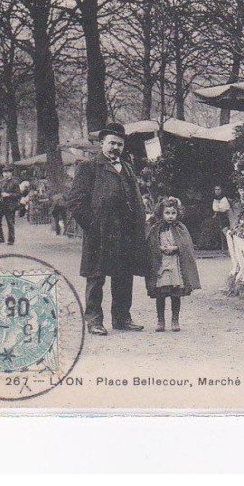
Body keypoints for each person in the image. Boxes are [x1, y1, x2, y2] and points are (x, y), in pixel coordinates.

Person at [66, 122, 149, 335]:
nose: (115, 148)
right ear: (102, 143)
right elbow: (75, 202)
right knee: (96, 277)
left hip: (125, 232)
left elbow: (135, 199)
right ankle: (94, 320)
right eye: (111, 143)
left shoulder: (128, 168)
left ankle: (122, 318)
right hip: (99, 232)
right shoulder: (89, 168)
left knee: (124, 275)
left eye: (120, 144)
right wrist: (92, 226)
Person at [145, 196, 201, 332]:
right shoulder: (156, 228)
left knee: (175, 293)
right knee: (160, 294)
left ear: (178, 213)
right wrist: (159, 248)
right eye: (167, 213)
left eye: (173, 213)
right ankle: (160, 321)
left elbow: (186, 246)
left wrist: (175, 248)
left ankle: (175, 320)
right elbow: (150, 244)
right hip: (161, 264)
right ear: (161, 213)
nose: (170, 216)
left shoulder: (180, 228)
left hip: (175, 263)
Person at [0, 165, 22, 245]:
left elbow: (18, 194)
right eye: (4, 173)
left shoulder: (15, 183)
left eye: (7, 172)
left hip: (9, 205)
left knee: (10, 222)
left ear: (11, 173)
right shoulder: (0, 182)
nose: (5, 174)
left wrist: (9, 195)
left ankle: (11, 240)